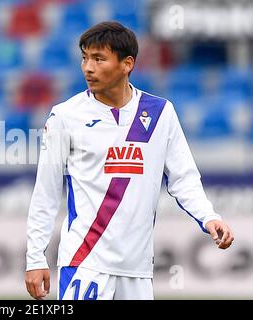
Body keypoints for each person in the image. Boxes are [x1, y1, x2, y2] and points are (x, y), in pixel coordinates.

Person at [25, 21, 234, 300]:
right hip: (85, 262)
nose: (88, 67)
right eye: (85, 58)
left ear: (127, 64)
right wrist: (35, 257)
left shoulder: (160, 113)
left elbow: (183, 178)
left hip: (137, 270)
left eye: (99, 59)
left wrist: (209, 217)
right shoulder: (65, 117)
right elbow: (46, 193)